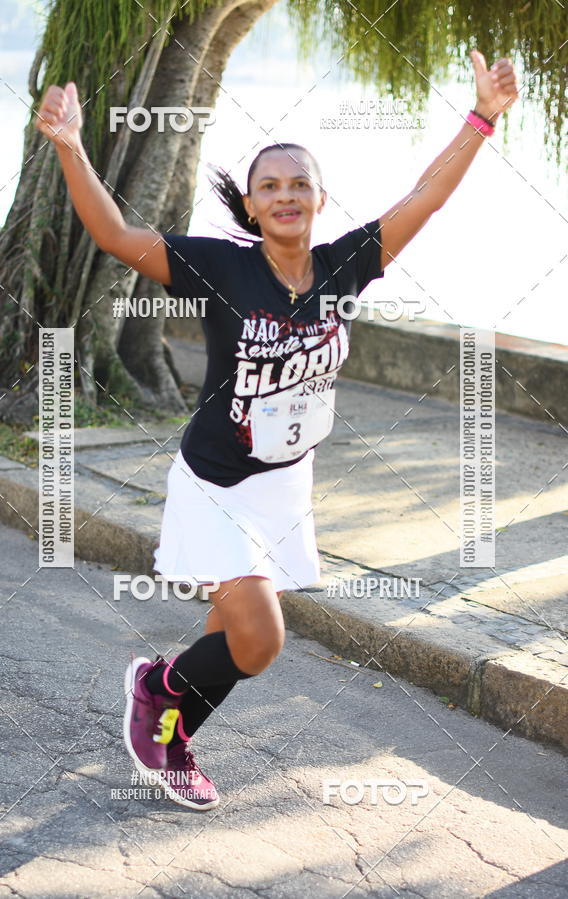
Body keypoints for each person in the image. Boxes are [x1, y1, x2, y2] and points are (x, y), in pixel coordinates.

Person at [36, 50, 518, 810]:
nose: (286, 194)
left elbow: (427, 195)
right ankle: (156, 688)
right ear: (252, 206)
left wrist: (482, 117)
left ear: (321, 199)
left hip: (287, 482)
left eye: (300, 183)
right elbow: (116, 233)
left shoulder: (346, 265)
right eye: (271, 186)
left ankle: (172, 728)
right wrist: (72, 146)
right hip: (217, 480)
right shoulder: (224, 269)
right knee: (261, 639)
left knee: (227, 634)